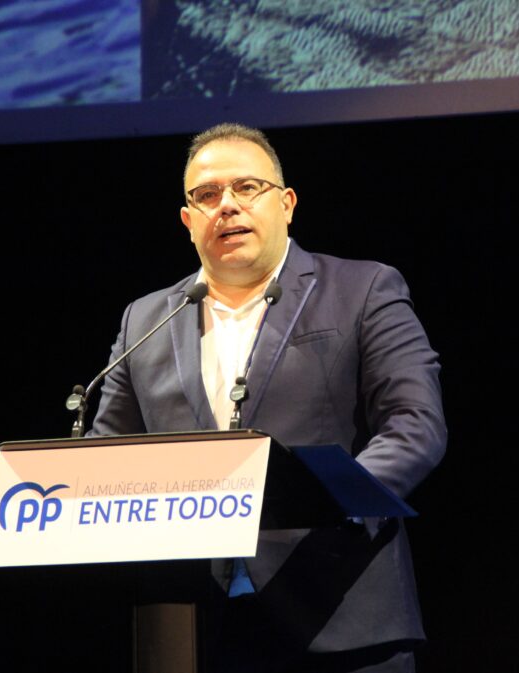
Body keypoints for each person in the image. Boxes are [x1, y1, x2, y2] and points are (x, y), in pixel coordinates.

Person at [90, 123, 446, 672]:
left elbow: (415, 424)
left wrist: (332, 499)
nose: (226, 206)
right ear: (188, 221)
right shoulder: (146, 320)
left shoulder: (364, 289)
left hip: (338, 607)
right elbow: (106, 454)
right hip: (193, 625)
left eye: (246, 188)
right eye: (206, 195)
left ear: (286, 204)